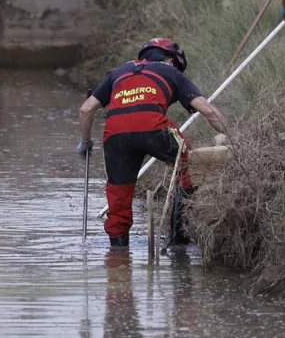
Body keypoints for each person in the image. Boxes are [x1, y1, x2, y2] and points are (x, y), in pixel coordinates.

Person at [77, 39, 229, 251]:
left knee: (118, 193)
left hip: (115, 132)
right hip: (153, 125)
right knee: (187, 166)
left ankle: (118, 255)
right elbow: (207, 110)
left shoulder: (119, 72)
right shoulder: (170, 72)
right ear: (171, 59)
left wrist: (85, 142)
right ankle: (178, 242)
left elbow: (86, 110)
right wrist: (232, 136)